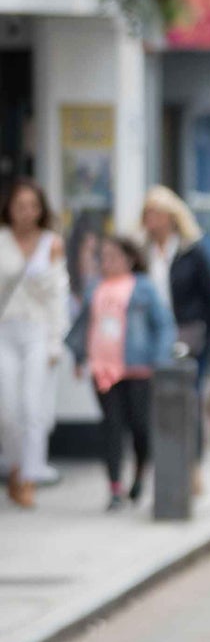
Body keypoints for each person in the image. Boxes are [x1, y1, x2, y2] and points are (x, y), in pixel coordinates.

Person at [67, 235, 175, 510]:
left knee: (139, 426)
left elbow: (164, 325)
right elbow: (83, 325)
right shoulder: (95, 287)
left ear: (130, 259)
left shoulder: (143, 288)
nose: (108, 262)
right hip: (103, 368)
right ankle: (115, 488)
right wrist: (79, 357)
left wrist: (159, 360)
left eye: (114, 256)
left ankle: (139, 474)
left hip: (137, 368)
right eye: (103, 256)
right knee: (111, 427)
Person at [142, 187, 210, 476]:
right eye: (147, 214)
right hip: (150, 336)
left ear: (171, 217)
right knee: (153, 400)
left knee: (190, 398)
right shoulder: (142, 253)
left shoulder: (191, 252)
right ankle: (160, 464)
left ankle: (192, 466)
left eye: (156, 213)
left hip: (188, 335)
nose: (151, 220)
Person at [0, 179, 68, 508]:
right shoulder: (1, 242)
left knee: (32, 406)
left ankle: (29, 476)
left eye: (32, 206)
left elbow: (58, 297)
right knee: (7, 408)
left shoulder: (51, 244)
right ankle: (14, 466)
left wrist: (56, 343)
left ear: (40, 210)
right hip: (4, 331)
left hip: (37, 331)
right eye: (19, 206)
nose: (26, 213)